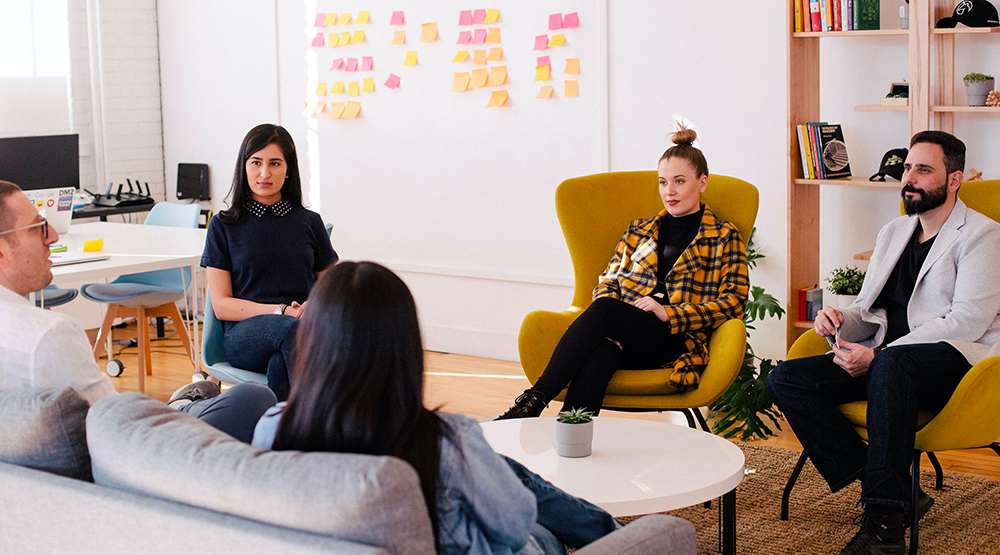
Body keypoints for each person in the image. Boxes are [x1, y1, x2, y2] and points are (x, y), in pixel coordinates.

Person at [252, 262, 621, 555]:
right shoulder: (445, 441)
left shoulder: (272, 428)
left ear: (313, 342)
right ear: (405, 345)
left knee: (498, 470)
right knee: (536, 524)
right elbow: (515, 526)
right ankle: (622, 538)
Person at [767, 131, 1000, 555]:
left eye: (923, 170)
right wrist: (841, 319)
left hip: (955, 364)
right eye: (908, 168)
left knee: (893, 367)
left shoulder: (982, 235)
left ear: (954, 180)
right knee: (787, 378)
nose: (909, 178)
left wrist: (879, 356)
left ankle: (884, 530)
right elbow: (869, 307)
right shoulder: (894, 231)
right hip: (886, 363)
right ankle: (897, 490)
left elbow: (968, 321)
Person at [498, 125, 750, 419]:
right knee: (602, 354)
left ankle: (534, 400)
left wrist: (669, 313)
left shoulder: (723, 236)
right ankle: (570, 433)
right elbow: (608, 281)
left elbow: (734, 301)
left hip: (676, 340)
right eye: (663, 182)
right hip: (626, 332)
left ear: (702, 182)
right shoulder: (639, 231)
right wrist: (621, 318)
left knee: (606, 310)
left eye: (679, 181)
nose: (669, 191)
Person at [0, 181, 276, 443]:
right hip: (141, 449)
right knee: (252, 397)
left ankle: (178, 406)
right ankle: (179, 408)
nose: (53, 236)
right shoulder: (47, 335)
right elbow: (115, 424)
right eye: (38, 227)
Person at [201, 124, 338, 401]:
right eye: (256, 163)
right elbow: (222, 305)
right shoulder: (223, 225)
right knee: (292, 331)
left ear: (288, 170)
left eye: (275, 163)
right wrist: (282, 311)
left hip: (298, 332)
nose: (265, 173)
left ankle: (282, 426)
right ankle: (331, 416)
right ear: (244, 167)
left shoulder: (310, 222)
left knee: (280, 363)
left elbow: (333, 289)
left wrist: (313, 306)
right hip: (244, 336)